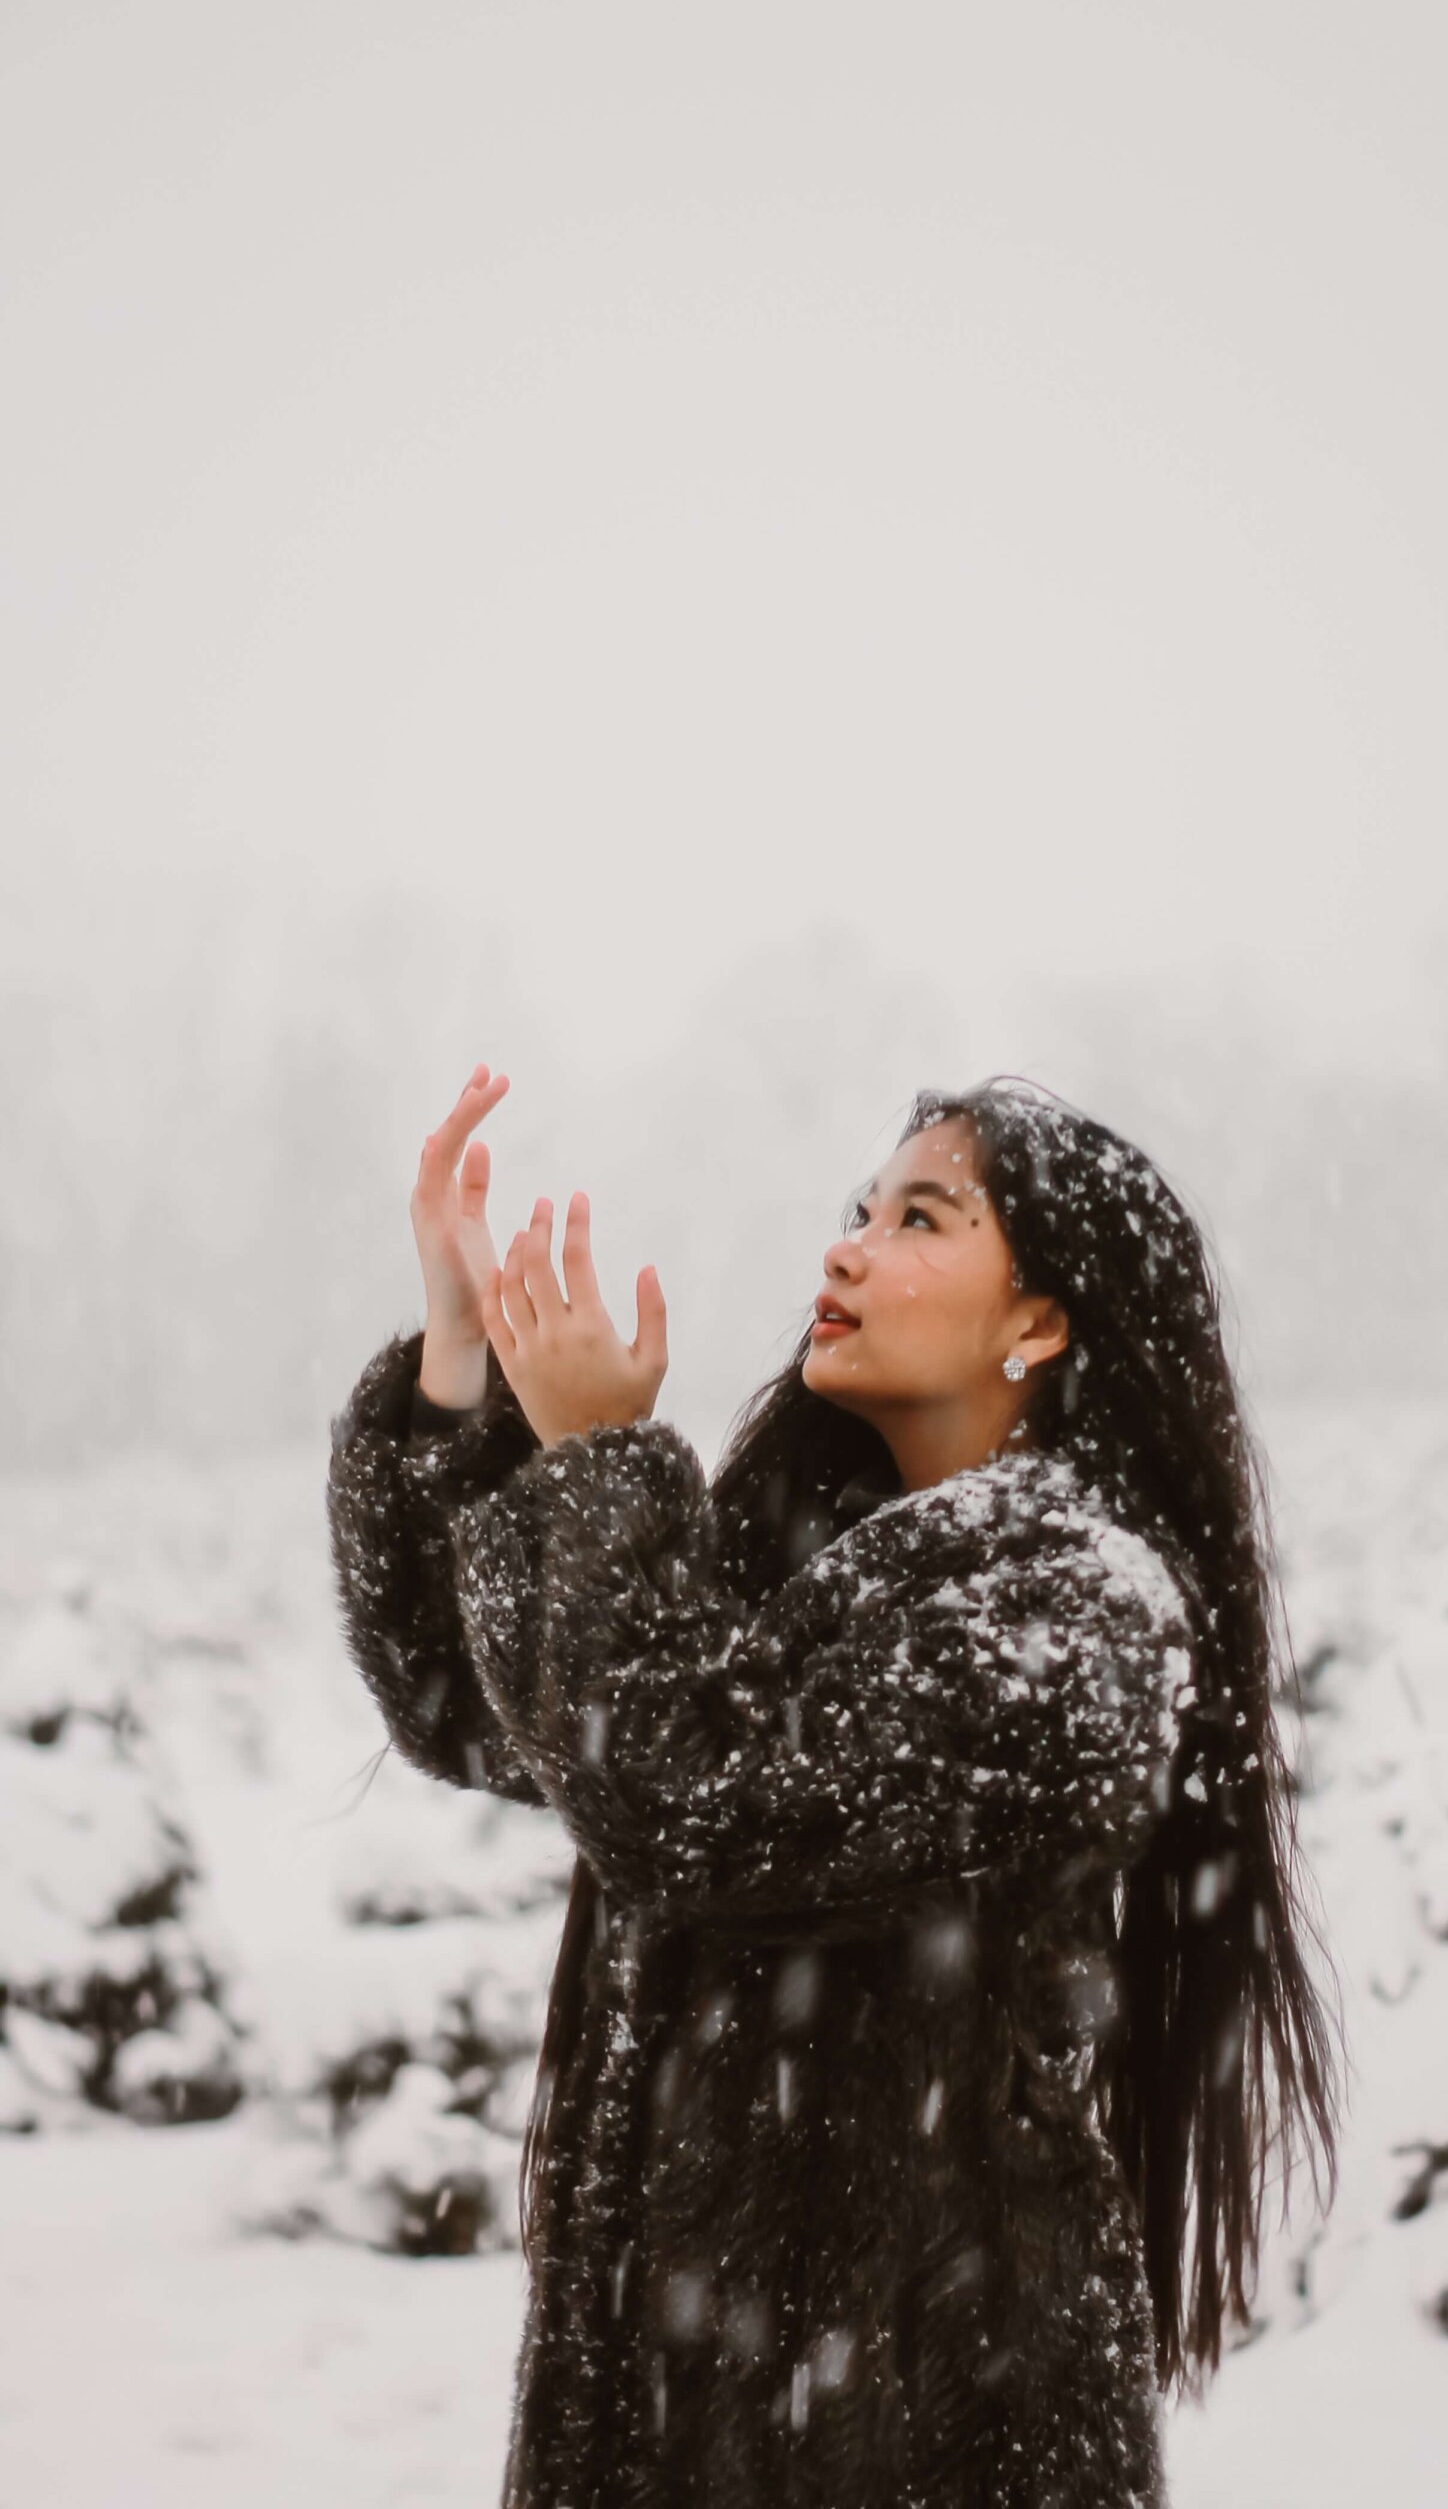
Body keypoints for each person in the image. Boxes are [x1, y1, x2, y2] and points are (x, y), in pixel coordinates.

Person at [325, 1063, 1345, 2509]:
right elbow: (461, 1703)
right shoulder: (799, 1570)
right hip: (675, 2423)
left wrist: (600, 1463)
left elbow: (686, 1802)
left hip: (931, 2439)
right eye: (859, 1209)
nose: (847, 1246)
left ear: (1039, 1321)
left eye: (921, 1218)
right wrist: (457, 1346)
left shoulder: (1075, 1620)